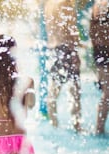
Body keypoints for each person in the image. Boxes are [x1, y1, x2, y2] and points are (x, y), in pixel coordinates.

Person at [44, 0, 82, 132]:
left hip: (54, 50)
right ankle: (77, 127)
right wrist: (75, 52)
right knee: (75, 91)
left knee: (53, 92)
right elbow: (71, 29)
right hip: (67, 50)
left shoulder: (49, 4)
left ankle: (53, 125)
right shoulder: (65, 3)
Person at [89, 0, 109, 134]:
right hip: (104, 52)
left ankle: (99, 129)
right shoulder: (103, 4)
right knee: (107, 93)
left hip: (100, 52)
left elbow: (93, 32)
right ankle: (99, 129)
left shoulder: (97, 5)